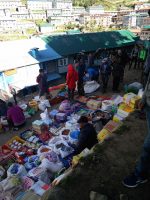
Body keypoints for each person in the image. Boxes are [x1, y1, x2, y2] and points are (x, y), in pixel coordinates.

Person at [122, 73, 150, 188]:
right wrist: (144, 98)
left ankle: (140, 175)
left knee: (147, 146)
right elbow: (149, 82)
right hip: (148, 106)